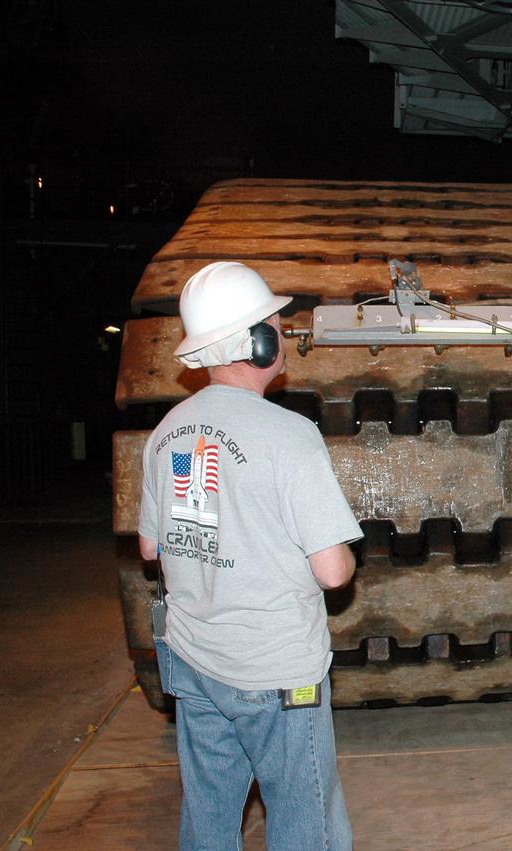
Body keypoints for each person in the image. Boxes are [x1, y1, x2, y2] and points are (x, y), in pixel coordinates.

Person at [137, 261, 361, 849]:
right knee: (303, 817)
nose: (284, 336)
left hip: (193, 660)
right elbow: (333, 572)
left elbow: (150, 545)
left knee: (209, 809)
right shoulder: (289, 435)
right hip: (274, 671)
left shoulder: (167, 431)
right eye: (276, 326)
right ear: (257, 342)